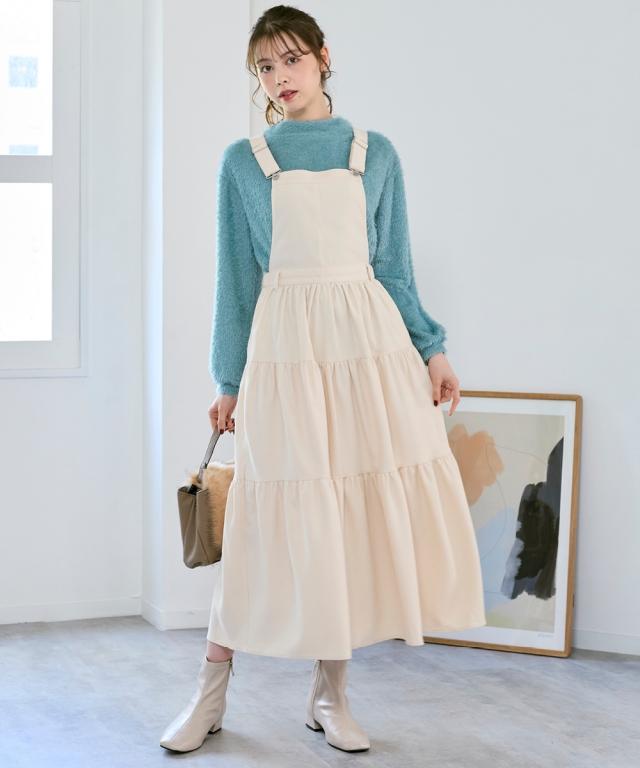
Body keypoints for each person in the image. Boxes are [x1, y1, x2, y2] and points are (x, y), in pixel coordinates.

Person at [160, 4, 486, 755]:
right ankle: (209, 695)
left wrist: (433, 350)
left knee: (344, 519)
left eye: (291, 60)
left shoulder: (376, 153)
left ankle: (331, 697)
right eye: (265, 67)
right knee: (260, 518)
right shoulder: (244, 161)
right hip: (284, 350)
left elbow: (394, 268)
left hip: (368, 350)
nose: (279, 78)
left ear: (323, 56)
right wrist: (228, 380)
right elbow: (236, 282)